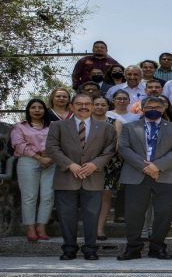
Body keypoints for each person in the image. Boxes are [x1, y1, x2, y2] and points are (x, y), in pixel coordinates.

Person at [45, 94, 116, 260]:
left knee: (92, 217)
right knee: (66, 216)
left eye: (87, 104)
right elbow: (52, 148)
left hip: (94, 178)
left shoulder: (106, 128)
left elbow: (110, 150)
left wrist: (95, 164)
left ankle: (90, 249)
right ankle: (69, 248)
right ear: (71, 106)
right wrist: (70, 165)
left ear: (92, 106)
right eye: (79, 104)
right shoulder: (58, 126)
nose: (83, 106)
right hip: (66, 177)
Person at [117, 96, 172, 260]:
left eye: (157, 106)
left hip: (166, 175)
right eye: (149, 106)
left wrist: (157, 166)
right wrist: (145, 167)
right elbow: (124, 149)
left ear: (163, 109)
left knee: (163, 214)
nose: (153, 108)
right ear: (142, 108)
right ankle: (133, 248)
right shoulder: (129, 127)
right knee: (134, 214)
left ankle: (157, 247)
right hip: (136, 175)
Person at [11, 99, 55, 241]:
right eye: (33, 107)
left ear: (45, 110)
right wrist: (38, 157)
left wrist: (49, 157)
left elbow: (59, 142)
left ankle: (41, 226)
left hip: (50, 162)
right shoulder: (20, 127)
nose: (37, 110)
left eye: (40, 107)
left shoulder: (52, 126)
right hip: (28, 161)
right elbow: (18, 144)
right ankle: (30, 227)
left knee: (48, 196)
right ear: (28, 110)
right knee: (29, 196)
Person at [91, 96, 123, 240]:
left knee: (106, 196)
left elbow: (117, 144)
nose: (99, 107)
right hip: (87, 163)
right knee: (89, 197)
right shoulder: (84, 122)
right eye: (96, 104)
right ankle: (89, 227)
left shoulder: (115, 122)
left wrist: (101, 161)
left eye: (103, 104)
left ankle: (99, 228)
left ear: (107, 107)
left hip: (109, 163)